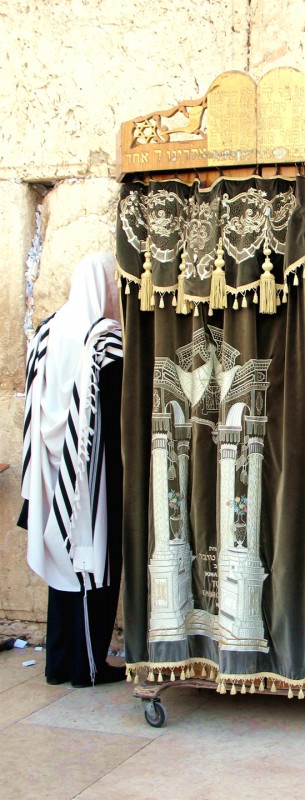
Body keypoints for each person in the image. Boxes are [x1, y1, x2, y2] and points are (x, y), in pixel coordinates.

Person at [19, 252, 125, 688]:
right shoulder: (104, 340)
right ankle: (89, 667)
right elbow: (117, 415)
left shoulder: (46, 330)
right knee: (92, 562)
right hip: (90, 472)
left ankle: (58, 662)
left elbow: (33, 400)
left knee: (63, 568)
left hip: (49, 466)